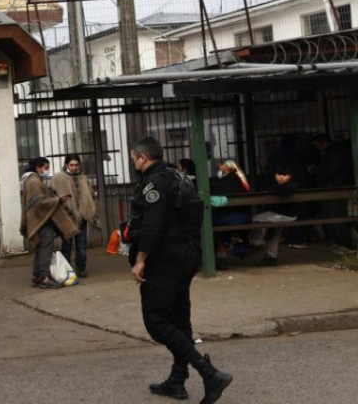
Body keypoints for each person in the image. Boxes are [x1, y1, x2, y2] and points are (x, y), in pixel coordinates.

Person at [127, 137, 232, 403]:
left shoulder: (155, 182)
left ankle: (209, 373)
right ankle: (177, 380)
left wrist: (140, 259)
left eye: (133, 158)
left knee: (156, 320)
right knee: (179, 318)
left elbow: (153, 224)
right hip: (186, 255)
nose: (133, 163)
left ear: (142, 157)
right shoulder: (179, 176)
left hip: (165, 258)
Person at [22, 157, 78, 289]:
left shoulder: (30, 180)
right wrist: (58, 199)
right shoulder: (35, 181)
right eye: (46, 168)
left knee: (39, 249)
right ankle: (44, 277)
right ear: (38, 167)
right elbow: (40, 202)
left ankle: (37, 276)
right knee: (45, 250)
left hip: (38, 220)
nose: (47, 171)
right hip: (42, 221)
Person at [311, 134, 356, 252]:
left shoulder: (334, 154)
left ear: (324, 143)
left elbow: (330, 170)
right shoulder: (337, 152)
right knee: (336, 215)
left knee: (338, 215)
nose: (317, 149)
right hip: (338, 187)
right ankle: (341, 241)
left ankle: (346, 242)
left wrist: (315, 170)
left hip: (337, 188)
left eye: (317, 145)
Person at [53, 153, 96, 278]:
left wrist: (87, 210)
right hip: (66, 218)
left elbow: (91, 194)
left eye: (76, 165)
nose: (74, 167)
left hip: (81, 217)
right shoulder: (59, 178)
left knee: (81, 245)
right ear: (67, 165)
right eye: (71, 165)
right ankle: (66, 270)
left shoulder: (83, 178)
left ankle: (81, 269)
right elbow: (52, 193)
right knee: (66, 245)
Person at [210, 160, 252, 269]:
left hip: (225, 219)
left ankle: (221, 258)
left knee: (219, 228)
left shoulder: (221, 183)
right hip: (244, 218)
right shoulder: (243, 182)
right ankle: (241, 245)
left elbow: (213, 200)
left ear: (226, 168)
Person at [257, 166, 301, 266]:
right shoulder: (274, 185)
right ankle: (271, 256)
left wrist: (273, 189)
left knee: (257, 221)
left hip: (285, 215)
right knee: (273, 230)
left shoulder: (292, 185)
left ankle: (257, 243)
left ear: (290, 176)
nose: (281, 177)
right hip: (277, 215)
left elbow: (286, 190)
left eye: (285, 175)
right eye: (279, 174)